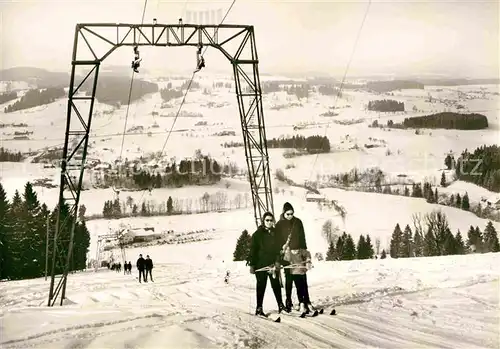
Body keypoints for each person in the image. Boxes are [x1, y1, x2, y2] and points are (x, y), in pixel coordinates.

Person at [275, 202, 313, 313]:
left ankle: (306, 301)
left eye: (292, 213)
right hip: (286, 254)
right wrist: (279, 255)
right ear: (284, 213)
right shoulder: (279, 224)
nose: (290, 215)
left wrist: (304, 253)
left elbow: (303, 238)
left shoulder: (298, 222)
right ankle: (288, 301)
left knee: (301, 278)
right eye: (288, 214)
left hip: (298, 253)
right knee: (289, 280)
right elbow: (277, 241)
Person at [248, 211, 285, 316]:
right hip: (261, 264)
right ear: (263, 221)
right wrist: (252, 265)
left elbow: (280, 249)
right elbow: (253, 251)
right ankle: (259, 308)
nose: (269, 222)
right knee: (261, 286)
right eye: (267, 220)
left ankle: (281, 305)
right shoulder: (257, 234)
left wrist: (278, 261)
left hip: (273, 264)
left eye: (271, 220)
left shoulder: (276, 233)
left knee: (276, 285)